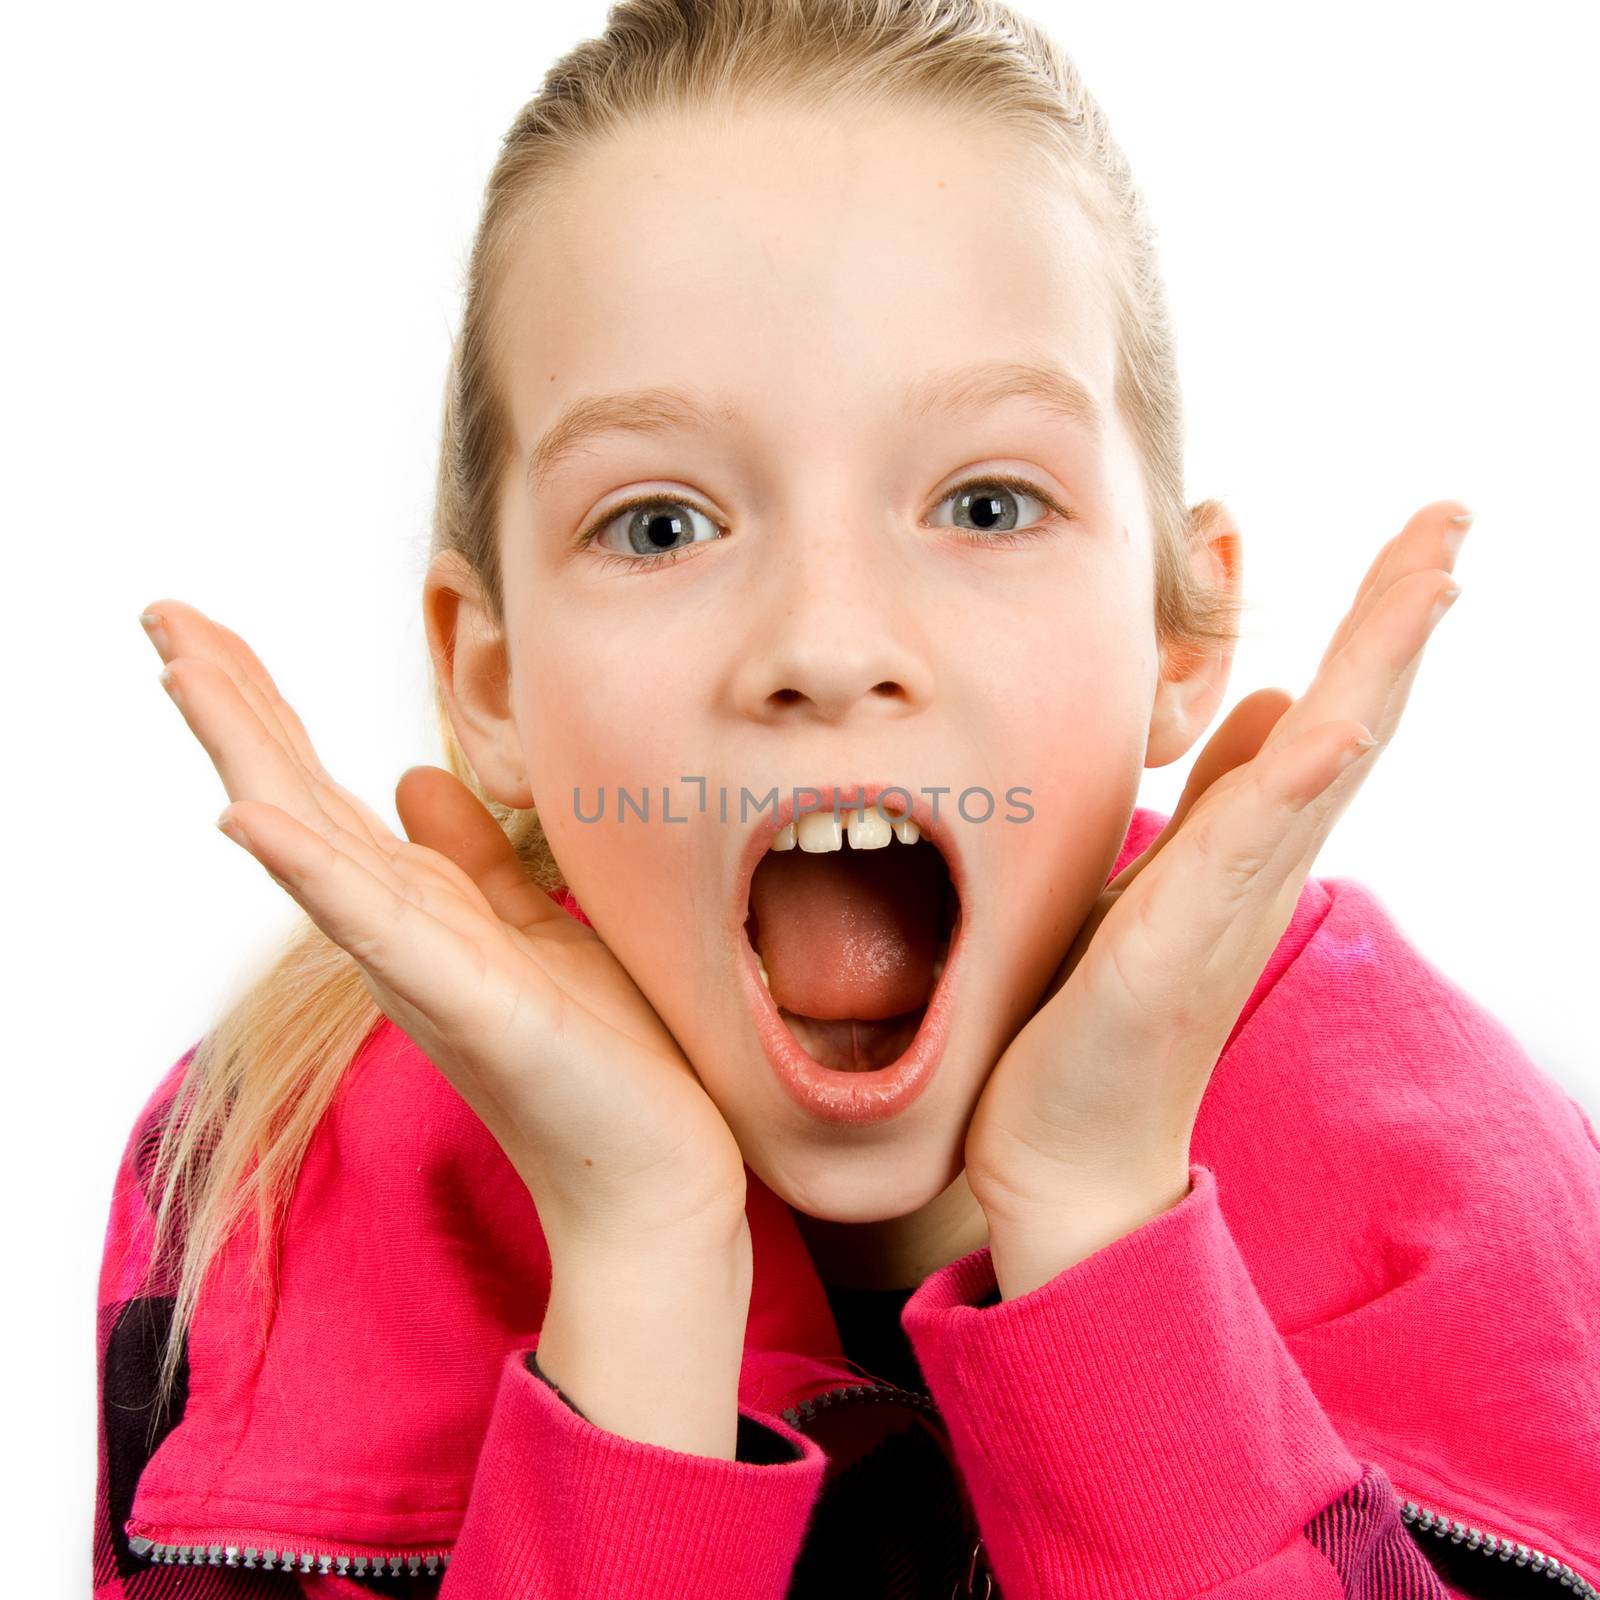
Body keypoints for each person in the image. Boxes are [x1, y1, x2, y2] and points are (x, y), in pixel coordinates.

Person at [93, 1, 1600, 1596]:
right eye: (661, 525)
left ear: (1177, 634)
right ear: (491, 683)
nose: (825, 644)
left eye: (986, 501)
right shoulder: (263, 1189)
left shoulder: (1468, 1216)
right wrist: (640, 1280)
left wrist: (1104, 1236)